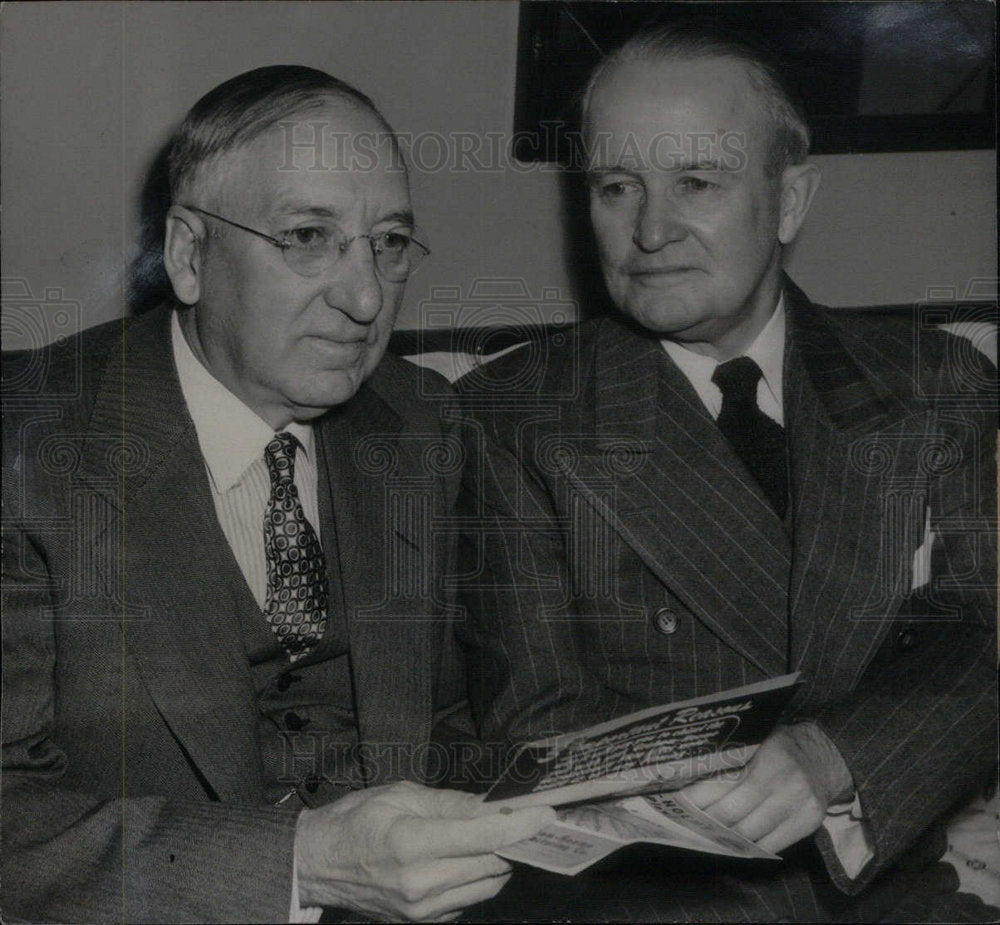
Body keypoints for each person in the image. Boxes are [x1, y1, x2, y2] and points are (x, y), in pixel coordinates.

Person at [457, 24, 997, 922]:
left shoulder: (939, 385)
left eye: (696, 183)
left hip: (889, 875)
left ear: (789, 203)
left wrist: (834, 754)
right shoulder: (511, 416)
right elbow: (540, 728)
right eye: (616, 186)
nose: (651, 230)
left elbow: (986, 634)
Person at [1, 65, 552, 924]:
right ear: (189, 254)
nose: (367, 297)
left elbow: (483, 714)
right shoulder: (28, 449)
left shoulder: (426, 424)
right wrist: (299, 866)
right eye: (308, 236)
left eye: (390, 242)